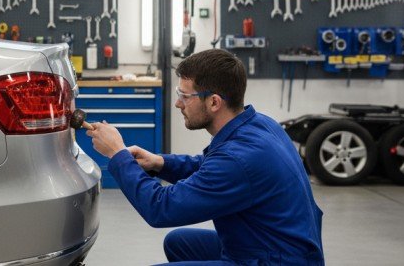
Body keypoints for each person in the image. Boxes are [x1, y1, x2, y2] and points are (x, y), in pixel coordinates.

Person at [87, 49, 324, 266]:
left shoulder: (238, 158)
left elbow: (161, 208)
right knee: (178, 241)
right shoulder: (259, 124)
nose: (178, 103)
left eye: (184, 96)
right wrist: (160, 163)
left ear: (214, 102)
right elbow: (209, 167)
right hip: (275, 244)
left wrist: (117, 154)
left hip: (278, 260)